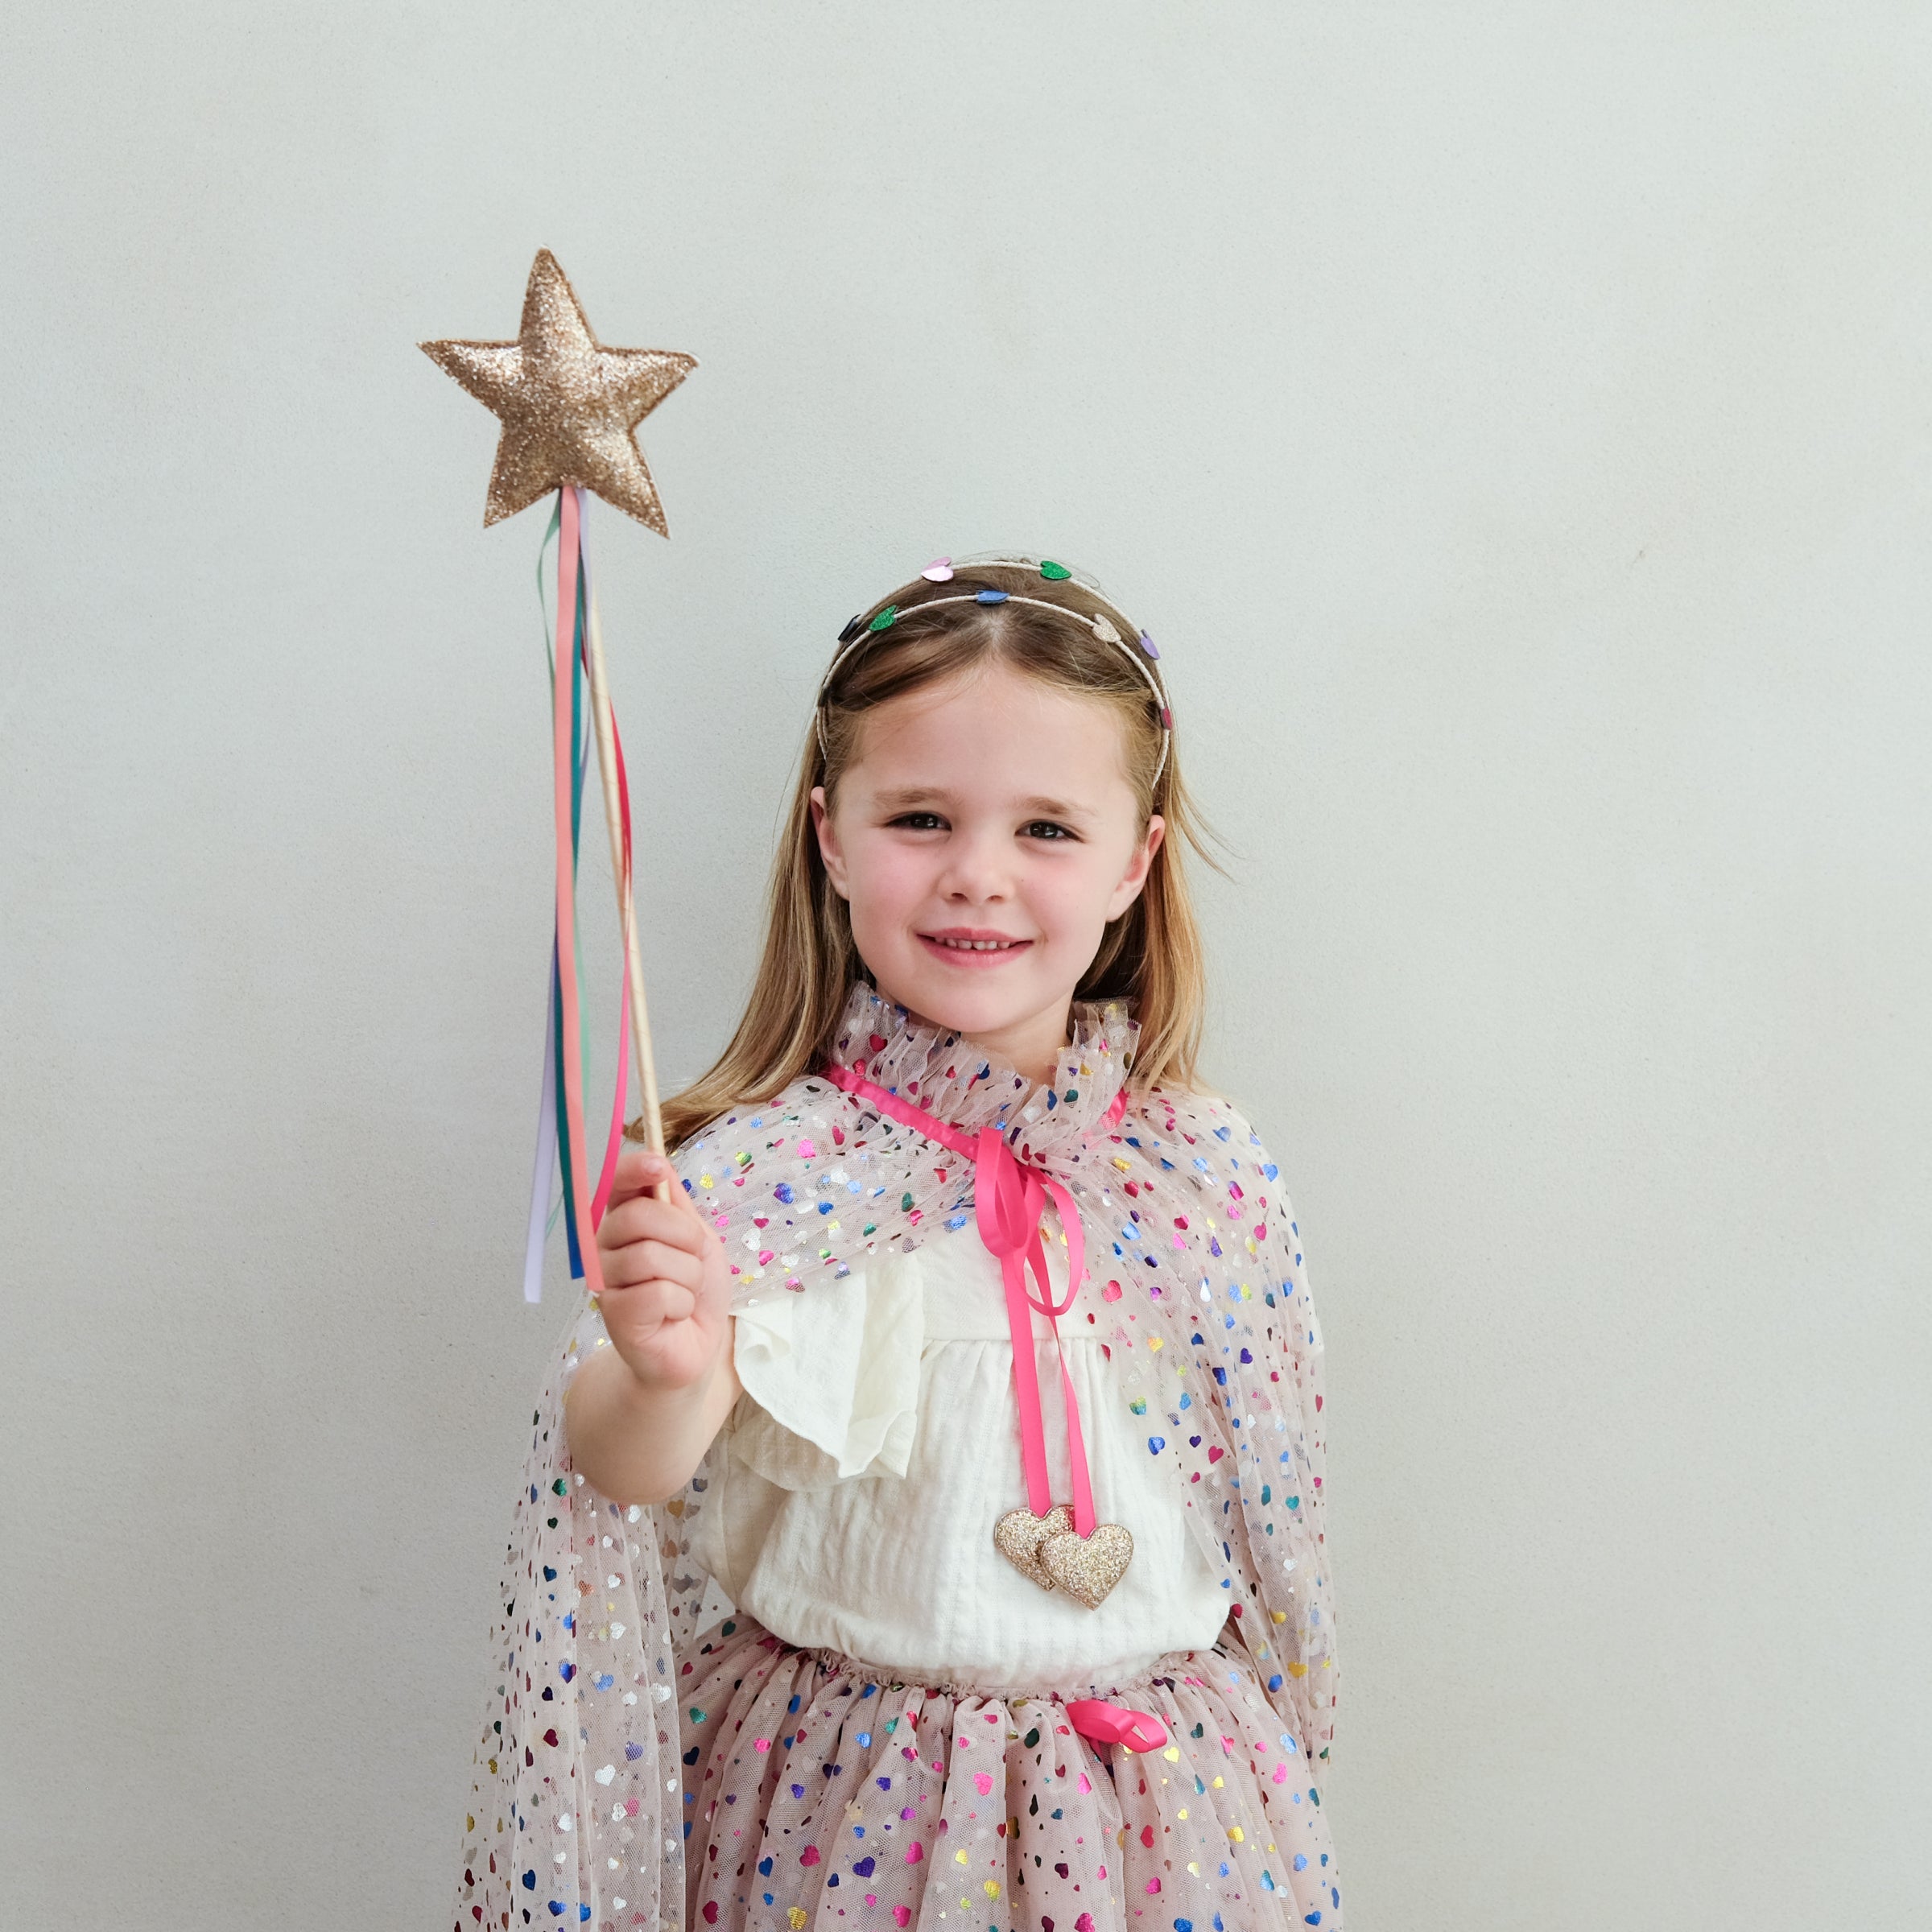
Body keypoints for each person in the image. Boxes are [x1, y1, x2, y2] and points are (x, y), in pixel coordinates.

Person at [452, 555, 1343, 1932]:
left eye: (1047, 829)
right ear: (831, 838)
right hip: (857, 1817)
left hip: (1160, 1822)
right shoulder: (778, 1176)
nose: (978, 875)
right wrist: (664, 1368)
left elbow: (1266, 1512)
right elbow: (627, 1469)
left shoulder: (1200, 1173)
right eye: (921, 818)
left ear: (1134, 861)